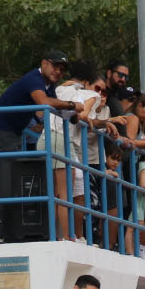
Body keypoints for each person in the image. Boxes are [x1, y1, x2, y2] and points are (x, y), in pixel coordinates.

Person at [0, 51, 79, 238]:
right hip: (0, 131)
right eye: (55, 67)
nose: (58, 72)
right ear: (44, 63)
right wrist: (71, 104)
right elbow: (44, 103)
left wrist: (73, 113)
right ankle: (5, 232)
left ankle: (0, 223)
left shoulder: (47, 84)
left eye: (61, 70)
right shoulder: (33, 79)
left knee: (12, 180)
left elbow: (56, 110)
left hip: (13, 133)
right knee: (9, 181)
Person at [39, 59, 100, 242]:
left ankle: (62, 235)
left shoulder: (57, 89)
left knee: (58, 192)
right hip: (61, 139)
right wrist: (88, 118)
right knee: (65, 194)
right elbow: (82, 115)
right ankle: (67, 236)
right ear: (88, 82)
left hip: (46, 137)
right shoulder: (90, 95)